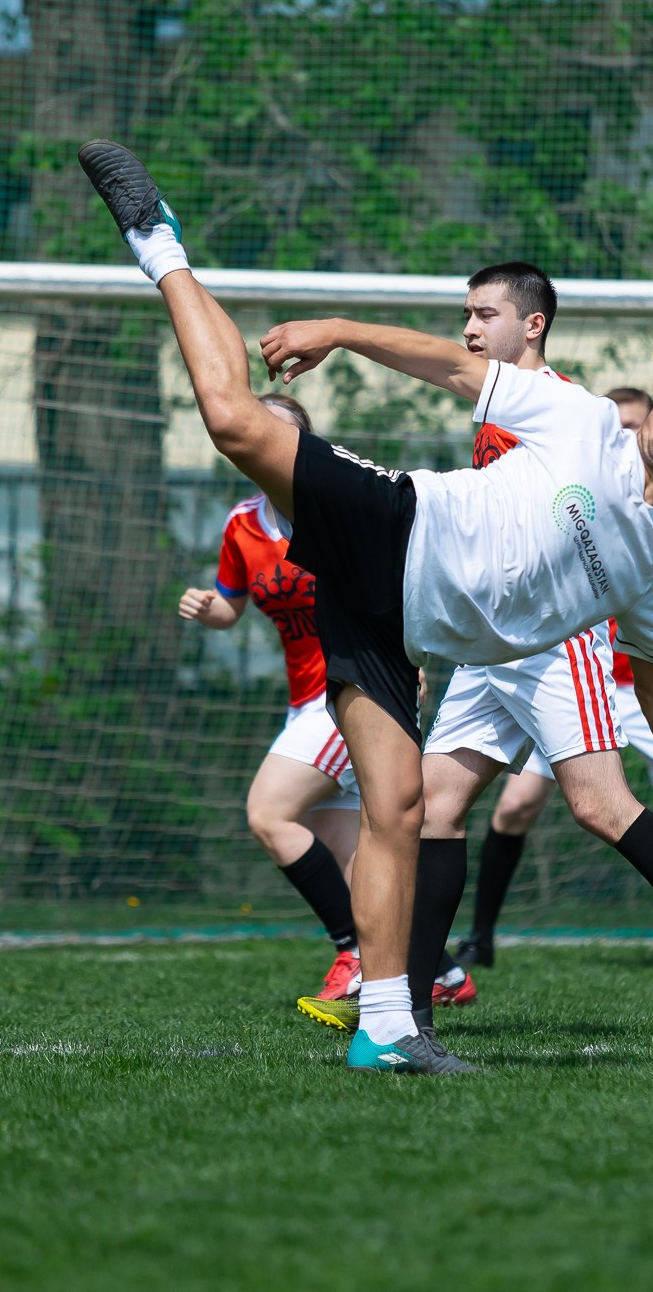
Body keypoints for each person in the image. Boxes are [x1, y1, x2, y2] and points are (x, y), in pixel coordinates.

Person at [79, 139, 653, 1075]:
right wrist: (341, 326)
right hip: (395, 528)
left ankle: (390, 1029)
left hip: (393, 631)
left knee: (401, 810)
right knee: (239, 420)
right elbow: (451, 365)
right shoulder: (575, 417)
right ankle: (159, 242)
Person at [288, 264, 653, 1044]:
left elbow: (611, 582)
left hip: (553, 640)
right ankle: (410, 993)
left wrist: (339, 331)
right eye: (466, 316)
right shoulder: (515, 407)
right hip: (488, 648)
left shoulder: (562, 406)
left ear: (532, 325)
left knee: (598, 804)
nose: (471, 330)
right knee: (432, 812)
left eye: (485, 315)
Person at [452, 385, 653, 969]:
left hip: (648, 679)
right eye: (622, 426)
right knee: (497, 806)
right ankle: (456, 954)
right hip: (557, 665)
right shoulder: (578, 471)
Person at [180, 393, 474, 1007]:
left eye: (280, 433)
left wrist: (407, 664)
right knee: (350, 855)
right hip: (302, 704)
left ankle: (351, 952)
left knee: (268, 813)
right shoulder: (241, 523)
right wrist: (212, 610)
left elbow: (399, 590)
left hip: (351, 691)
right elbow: (232, 605)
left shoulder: (341, 510)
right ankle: (442, 972)